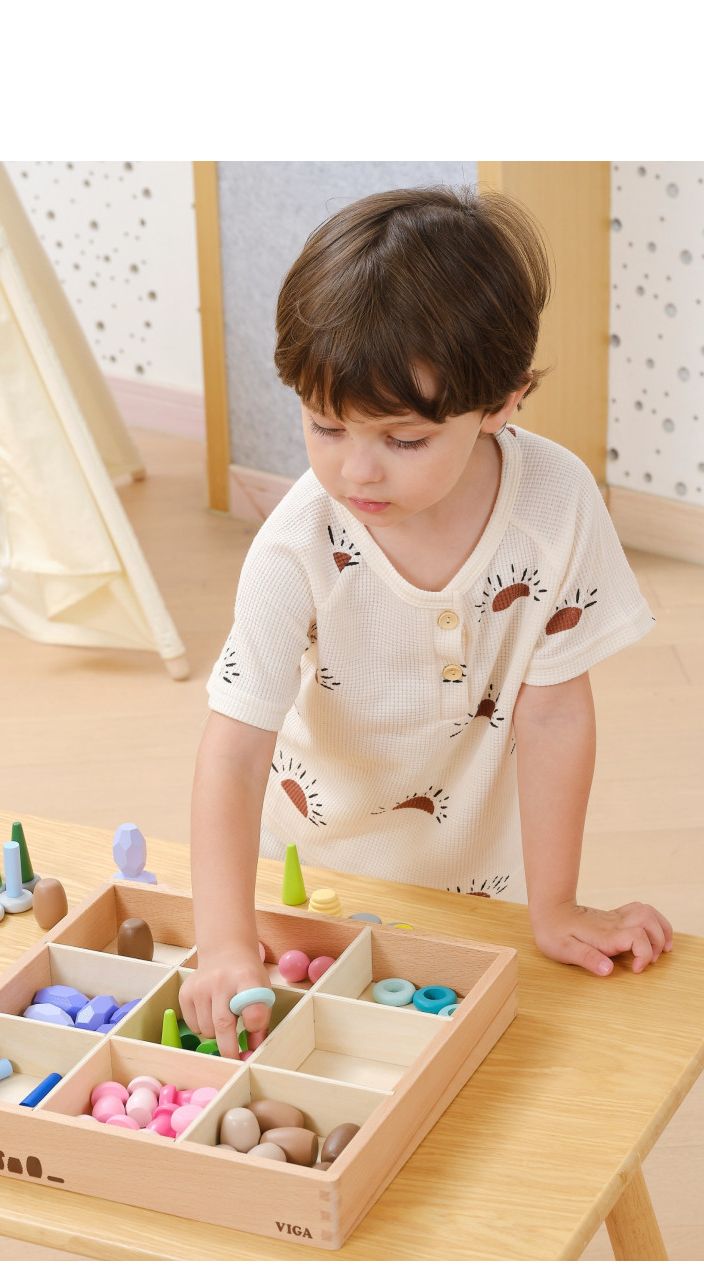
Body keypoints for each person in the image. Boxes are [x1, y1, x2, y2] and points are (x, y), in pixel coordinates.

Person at [181, 185, 672, 1060]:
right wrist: (222, 939)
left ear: (504, 402)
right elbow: (235, 749)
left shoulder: (557, 506)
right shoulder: (296, 544)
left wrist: (555, 906)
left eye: (403, 440)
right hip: (313, 882)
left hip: (480, 882)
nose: (356, 472)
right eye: (325, 426)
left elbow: (554, 715)